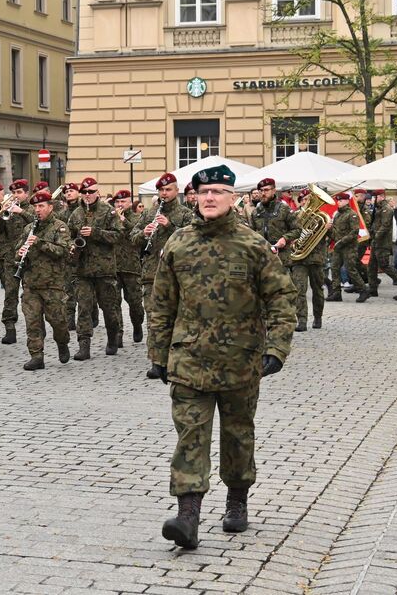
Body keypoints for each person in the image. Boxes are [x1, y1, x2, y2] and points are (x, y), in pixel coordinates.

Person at [148, 164, 297, 550]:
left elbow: (282, 297)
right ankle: (187, 517)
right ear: (195, 197)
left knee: (238, 435)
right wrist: (158, 354)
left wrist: (277, 347)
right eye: (203, 192)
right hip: (189, 361)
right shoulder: (178, 243)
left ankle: (237, 500)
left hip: (240, 362)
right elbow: (161, 303)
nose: (210, 197)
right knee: (190, 436)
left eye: (217, 191)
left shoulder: (253, 245)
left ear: (233, 197)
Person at [130, 173, 195, 378]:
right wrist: (144, 234)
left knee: (177, 318)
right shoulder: (150, 213)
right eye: (161, 190)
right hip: (152, 273)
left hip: (177, 274)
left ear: (176, 191)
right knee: (154, 318)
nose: (164, 193)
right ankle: (157, 362)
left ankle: (176, 359)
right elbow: (132, 237)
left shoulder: (185, 214)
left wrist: (169, 226)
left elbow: (192, 240)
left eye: (168, 190)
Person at [16, 190, 72, 369]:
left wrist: (39, 243)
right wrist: (20, 253)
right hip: (31, 283)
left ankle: (62, 343)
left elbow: (62, 251)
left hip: (52, 284)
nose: (37, 210)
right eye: (35, 207)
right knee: (32, 322)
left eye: (41, 206)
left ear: (50, 207)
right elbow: (16, 252)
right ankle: (36, 356)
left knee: (58, 322)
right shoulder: (28, 228)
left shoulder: (60, 227)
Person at [67, 177, 122, 360]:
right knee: (83, 308)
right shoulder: (76, 213)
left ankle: (113, 339)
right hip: (82, 270)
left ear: (97, 192)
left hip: (104, 269)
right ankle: (84, 346)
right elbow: (68, 236)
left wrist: (95, 233)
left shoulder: (108, 211)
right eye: (84, 192)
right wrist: (71, 245)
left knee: (109, 308)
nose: (87, 195)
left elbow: (118, 235)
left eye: (91, 192)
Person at [0, 179, 32, 344]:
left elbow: (39, 223)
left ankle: (34, 328)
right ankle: (9, 329)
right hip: (11, 257)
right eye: (13, 193)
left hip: (30, 259)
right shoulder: (9, 210)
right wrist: (1, 214)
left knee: (30, 295)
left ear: (26, 193)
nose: (16, 196)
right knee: (10, 294)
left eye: (19, 192)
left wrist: (21, 212)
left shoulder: (33, 208)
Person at [110, 189, 145, 346]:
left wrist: (124, 220)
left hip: (132, 267)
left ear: (130, 203)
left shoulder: (138, 218)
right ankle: (118, 333)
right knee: (114, 302)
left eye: (123, 201)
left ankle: (137, 324)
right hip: (113, 266)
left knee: (135, 303)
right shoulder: (111, 218)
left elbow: (138, 236)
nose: (119, 204)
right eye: (117, 202)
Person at [289, 189, 327, 331]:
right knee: (299, 290)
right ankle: (302, 320)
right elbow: (288, 233)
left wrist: (329, 228)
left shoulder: (321, 217)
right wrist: (292, 240)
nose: (306, 202)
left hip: (316, 259)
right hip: (299, 259)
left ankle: (318, 317)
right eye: (303, 200)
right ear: (300, 202)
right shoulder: (293, 216)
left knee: (318, 290)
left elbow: (335, 236)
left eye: (308, 199)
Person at [328, 192, 370, 303]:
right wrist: (329, 229)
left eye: (341, 200)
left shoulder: (352, 214)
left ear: (347, 201)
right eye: (338, 200)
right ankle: (336, 293)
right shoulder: (337, 215)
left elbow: (354, 232)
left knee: (351, 269)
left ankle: (363, 290)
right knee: (334, 268)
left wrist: (342, 241)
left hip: (349, 247)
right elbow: (335, 233)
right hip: (338, 247)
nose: (338, 202)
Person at [249, 178, 299, 268]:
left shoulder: (284, 208)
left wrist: (285, 238)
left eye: (266, 190)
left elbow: (297, 229)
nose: (263, 193)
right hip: (261, 259)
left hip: (281, 258)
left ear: (274, 191)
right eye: (260, 191)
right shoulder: (255, 212)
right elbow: (251, 233)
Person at [367, 190, 397, 296]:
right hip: (376, 242)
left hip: (382, 243)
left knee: (385, 266)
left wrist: (376, 236)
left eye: (374, 197)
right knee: (371, 266)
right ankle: (372, 289)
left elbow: (385, 226)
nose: (373, 199)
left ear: (382, 197)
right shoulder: (378, 208)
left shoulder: (386, 209)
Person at [55, 182, 83, 328]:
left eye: (72, 190)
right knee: (68, 288)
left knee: (83, 289)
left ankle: (90, 314)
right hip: (68, 255)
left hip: (84, 254)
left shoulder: (83, 210)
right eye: (66, 192)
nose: (69, 193)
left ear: (78, 193)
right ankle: (70, 318)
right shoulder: (62, 214)